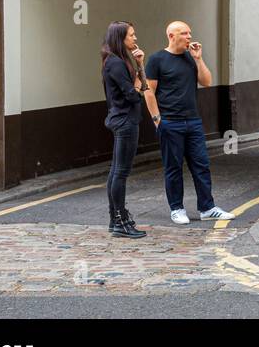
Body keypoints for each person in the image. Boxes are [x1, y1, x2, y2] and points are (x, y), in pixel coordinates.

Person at [143, 21, 235, 224]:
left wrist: (199, 59)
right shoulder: (157, 59)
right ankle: (177, 208)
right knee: (173, 167)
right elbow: (148, 90)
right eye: (184, 33)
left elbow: (207, 81)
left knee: (201, 165)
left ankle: (207, 208)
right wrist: (157, 119)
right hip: (170, 122)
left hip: (193, 122)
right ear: (171, 36)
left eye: (189, 33)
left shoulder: (190, 58)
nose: (189, 37)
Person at [101, 21, 147, 239]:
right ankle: (120, 220)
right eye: (131, 35)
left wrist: (139, 65)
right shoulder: (116, 63)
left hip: (121, 119)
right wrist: (138, 80)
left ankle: (115, 219)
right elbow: (133, 94)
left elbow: (140, 87)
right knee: (121, 172)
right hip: (125, 121)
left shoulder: (116, 61)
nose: (135, 38)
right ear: (121, 38)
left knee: (116, 171)